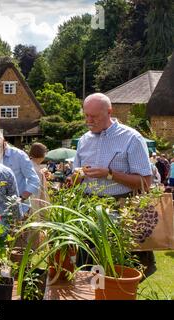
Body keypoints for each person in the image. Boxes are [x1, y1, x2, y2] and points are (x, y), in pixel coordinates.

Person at [72, 93, 154, 277]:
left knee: (117, 270)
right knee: (89, 269)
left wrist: (109, 175)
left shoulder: (131, 138)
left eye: (94, 116)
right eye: (86, 115)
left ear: (109, 112)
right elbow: (74, 177)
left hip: (120, 210)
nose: (88, 120)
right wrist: (77, 176)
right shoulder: (84, 140)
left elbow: (145, 182)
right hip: (88, 209)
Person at [1, 130, 41, 216]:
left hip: (20, 209)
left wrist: (21, 198)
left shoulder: (19, 155)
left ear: (4, 144)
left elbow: (34, 180)